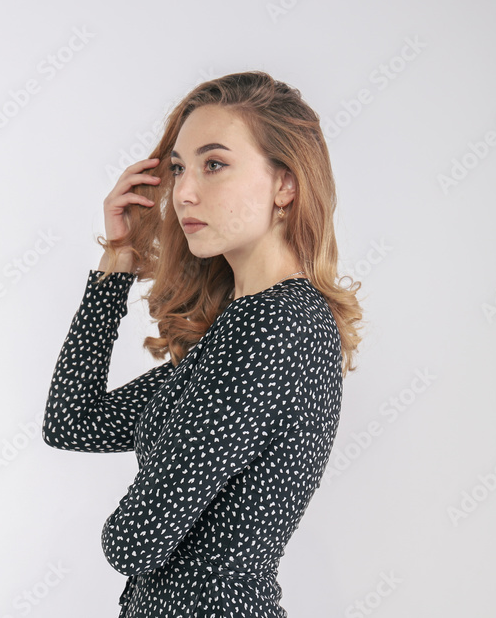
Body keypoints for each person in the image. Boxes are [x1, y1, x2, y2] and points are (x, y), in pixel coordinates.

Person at [42, 71, 364, 617]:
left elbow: (135, 541)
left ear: (285, 185)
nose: (184, 192)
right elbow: (74, 421)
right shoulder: (238, 327)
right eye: (177, 169)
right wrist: (118, 258)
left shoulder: (277, 328)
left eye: (214, 165)